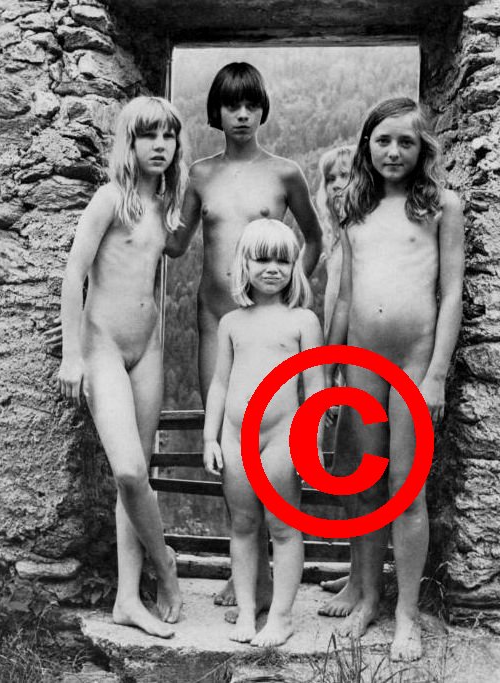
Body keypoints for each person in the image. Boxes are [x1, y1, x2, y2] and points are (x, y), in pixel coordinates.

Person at [167, 62, 322, 613]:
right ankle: (246, 576)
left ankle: (273, 571)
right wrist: (141, 199)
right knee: (230, 439)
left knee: (276, 439)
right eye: (231, 105)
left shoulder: (285, 173)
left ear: (262, 110)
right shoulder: (200, 175)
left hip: (273, 329)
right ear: (217, 112)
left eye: (250, 105)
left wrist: (288, 297)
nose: (241, 115)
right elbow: (175, 244)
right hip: (217, 321)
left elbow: (313, 237)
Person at [324, 97, 464, 662]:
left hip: (412, 364)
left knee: (406, 490)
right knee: (365, 486)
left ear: (422, 148)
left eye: (406, 142)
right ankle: (368, 599)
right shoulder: (353, 207)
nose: (393, 151)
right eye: (382, 140)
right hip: (361, 362)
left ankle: (407, 613)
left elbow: (451, 294)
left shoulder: (441, 206)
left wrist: (436, 375)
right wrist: (328, 369)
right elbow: (346, 297)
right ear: (367, 145)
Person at [57, 96, 188, 637]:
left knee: (138, 481)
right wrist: (72, 354)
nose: (159, 145)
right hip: (104, 346)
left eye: (168, 136)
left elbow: (176, 247)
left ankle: (127, 599)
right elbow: (74, 274)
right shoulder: (111, 198)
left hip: (148, 348)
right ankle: (166, 566)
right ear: (129, 144)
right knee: (129, 471)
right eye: (148, 136)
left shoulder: (165, 205)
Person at [202, 218, 325, 646]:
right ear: (244, 265)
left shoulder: (303, 321)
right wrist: (210, 437)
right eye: (262, 259)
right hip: (236, 439)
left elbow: (315, 386)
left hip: (282, 440)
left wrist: (313, 444)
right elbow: (220, 384)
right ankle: (246, 611)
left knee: (285, 527)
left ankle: (282, 617)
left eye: (283, 261)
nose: (272, 269)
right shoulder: (231, 323)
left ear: (294, 267)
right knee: (242, 525)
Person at [315, 145, 354, 337]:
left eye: (344, 175)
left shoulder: (362, 232)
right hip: (334, 335)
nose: (336, 185)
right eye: (330, 179)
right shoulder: (334, 236)